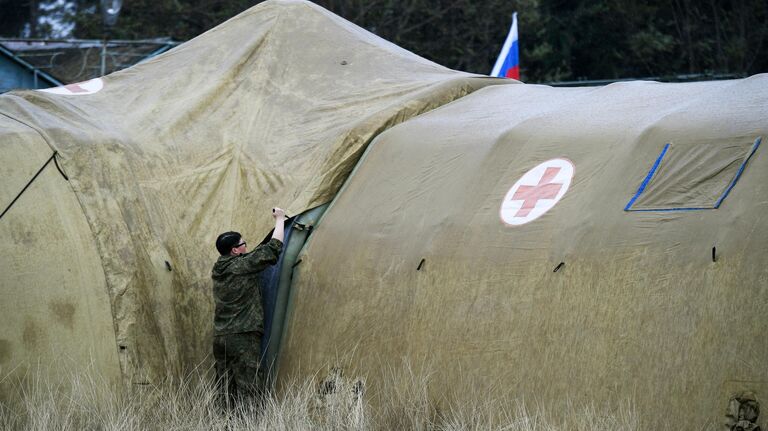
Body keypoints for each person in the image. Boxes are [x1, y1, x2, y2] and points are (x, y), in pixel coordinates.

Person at [211, 207, 286, 405]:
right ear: (235, 250)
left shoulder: (219, 268)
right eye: (244, 244)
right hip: (242, 335)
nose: (246, 247)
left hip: (221, 336)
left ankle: (224, 424)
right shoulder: (240, 266)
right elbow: (273, 248)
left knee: (225, 390)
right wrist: (280, 219)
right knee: (250, 388)